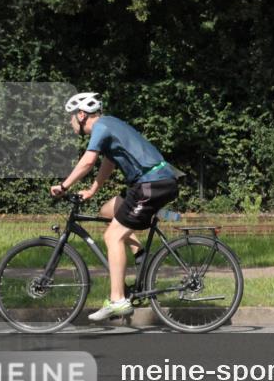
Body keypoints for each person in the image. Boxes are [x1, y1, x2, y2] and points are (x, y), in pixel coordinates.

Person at [50, 92, 179, 321]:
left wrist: (64, 185)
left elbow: (88, 161)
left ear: (81, 115)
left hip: (151, 184)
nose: (70, 122)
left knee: (112, 237)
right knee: (108, 210)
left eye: (71, 117)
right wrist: (92, 190)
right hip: (153, 183)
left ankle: (118, 300)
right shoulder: (110, 124)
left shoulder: (101, 127)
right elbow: (109, 162)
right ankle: (140, 253)